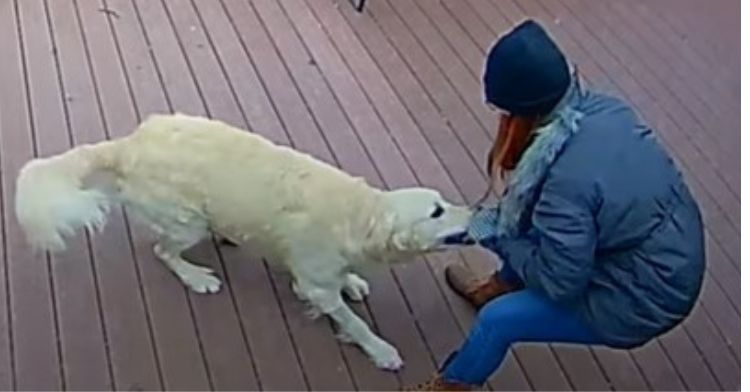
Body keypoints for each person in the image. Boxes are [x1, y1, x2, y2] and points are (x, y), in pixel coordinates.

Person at [409, 19, 706, 391]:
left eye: (504, 112)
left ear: (521, 115)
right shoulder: (602, 108)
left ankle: (452, 385)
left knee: (499, 321)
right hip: (668, 252)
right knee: (536, 228)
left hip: (642, 297)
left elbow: (560, 282)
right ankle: (496, 287)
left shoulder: (565, 184)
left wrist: (495, 233)